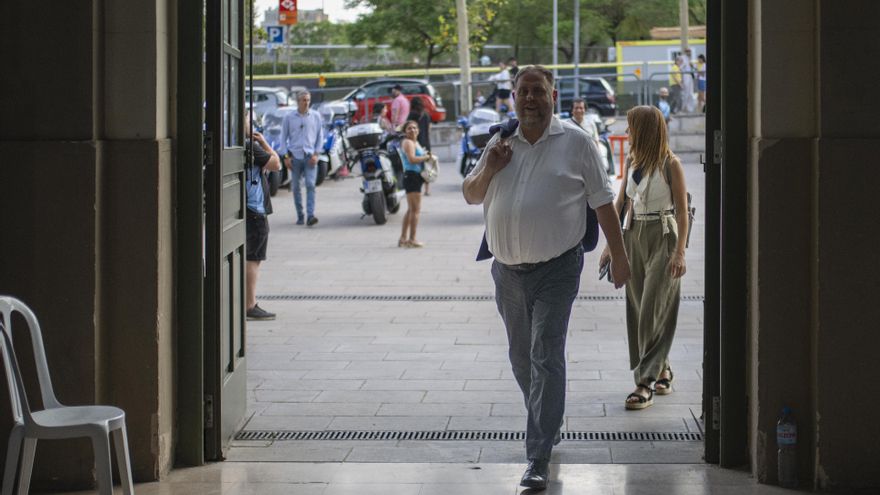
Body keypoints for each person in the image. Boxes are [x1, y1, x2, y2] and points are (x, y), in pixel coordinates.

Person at [462, 65, 631, 490]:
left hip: (557, 268)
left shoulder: (576, 142)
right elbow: (471, 193)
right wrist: (491, 168)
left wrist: (621, 254)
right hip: (506, 272)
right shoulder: (500, 142)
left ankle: (537, 455)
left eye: (538, 91)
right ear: (513, 97)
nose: (530, 99)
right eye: (523, 92)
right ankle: (547, 420)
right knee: (522, 358)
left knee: (544, 354)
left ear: (553, 95)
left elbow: (604, 202)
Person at [598, 105, 688, 411]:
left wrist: (680, 252)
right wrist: (612, 246)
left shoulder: (671, 164)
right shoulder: (634, 160)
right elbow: (622, 201)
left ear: (645, 130)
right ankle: (662, 367)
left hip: (663, 234)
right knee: (637, 308)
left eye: (631, 126)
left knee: (653, 305)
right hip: (634, 234)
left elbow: (682, 210)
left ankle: (644, 382)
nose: (627, 132)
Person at [244, 113, 282, 320]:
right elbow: (276, 164)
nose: (252, 123)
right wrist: (265, 143)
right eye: (248, 120)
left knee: (251, 256)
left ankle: (245, 302)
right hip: (255, 208)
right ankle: (250, 305)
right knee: (254, 257)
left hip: (246, 206)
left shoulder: (236, 144)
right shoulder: (251, 147)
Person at [280, 90, 324, 226]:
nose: (306, 103)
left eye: (308, 100)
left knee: (311, 185)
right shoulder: (289, 117)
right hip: (295, 158)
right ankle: (300, 215)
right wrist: (286, 157)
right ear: (298, 101)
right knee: (296, 187)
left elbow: (320, 137)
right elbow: (283, 138)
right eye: (304, 100)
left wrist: (316, 154)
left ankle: (310, 216)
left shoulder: (316, 116)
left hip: (310, 157)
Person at [398, 120, 432, 248]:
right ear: (405, 131)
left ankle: (403, 239)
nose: (412, 130)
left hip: (414, 176)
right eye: (409, 128)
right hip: (412, 176)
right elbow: (412, 159)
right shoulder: (408, 142)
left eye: (415, 128)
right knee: (416, 211)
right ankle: (412, 239)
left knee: (411, 210)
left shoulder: (414, 142)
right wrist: (426, 158)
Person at [407, 96, 432, 195]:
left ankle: (417, 188)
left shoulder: (412, 115)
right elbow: (429, 129)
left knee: (415, 166)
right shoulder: (426, 114)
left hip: (415, 143)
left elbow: (407, 127)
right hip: (426, 142)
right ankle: (427, 190)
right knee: (426, 167)